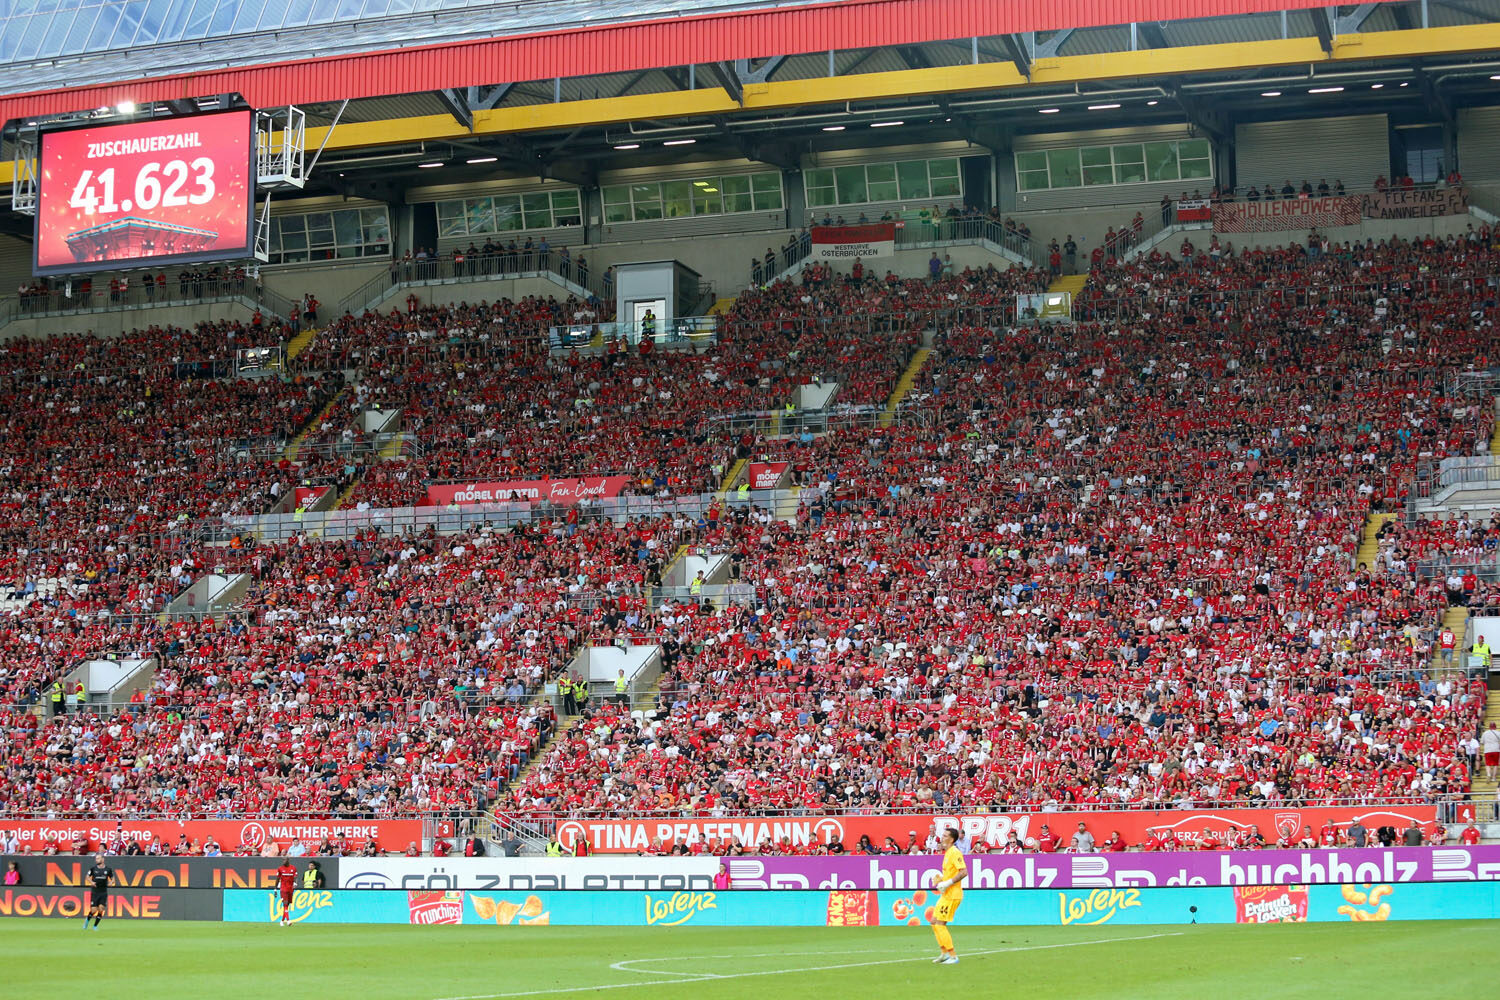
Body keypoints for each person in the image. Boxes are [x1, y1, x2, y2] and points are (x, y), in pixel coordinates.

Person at [929, 827, 965, 965]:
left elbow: (964, 872)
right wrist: (942, 880)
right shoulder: (948, 853)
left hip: (953, 895)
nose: (942, 837)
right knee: (933, 921)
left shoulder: (955, 852)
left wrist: (947, 883)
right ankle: (944, 953)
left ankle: (953, 956)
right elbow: (952, 873)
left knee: (940, 924)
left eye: (944, 836)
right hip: (947, 894)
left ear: (951, 839)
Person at [83, 854, 114, 930]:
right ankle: (87, 921)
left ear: (103, 859)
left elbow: (113, 878)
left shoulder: (108, 869)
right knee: (93, 910)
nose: (96, 860)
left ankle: (95, 926)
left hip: (103, 892)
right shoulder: (93, 869)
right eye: (96, 859)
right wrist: (91, 882)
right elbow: (87, 877)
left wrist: (111, 882)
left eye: (98, 858)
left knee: (101, 909)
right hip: (95, 892)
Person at [277, 858, 298, 926]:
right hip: (283, 889)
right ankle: (288, 920)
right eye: (282, 860)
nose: (283, 861)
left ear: (288, 861)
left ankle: (282, 921)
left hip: (290, 889)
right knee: (285, 904)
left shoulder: (293, 868)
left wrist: (295, 883)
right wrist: (275, 888)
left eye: (284, 860)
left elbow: (296, 877)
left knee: (287, 905)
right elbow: (277, 879)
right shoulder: (280, 868)